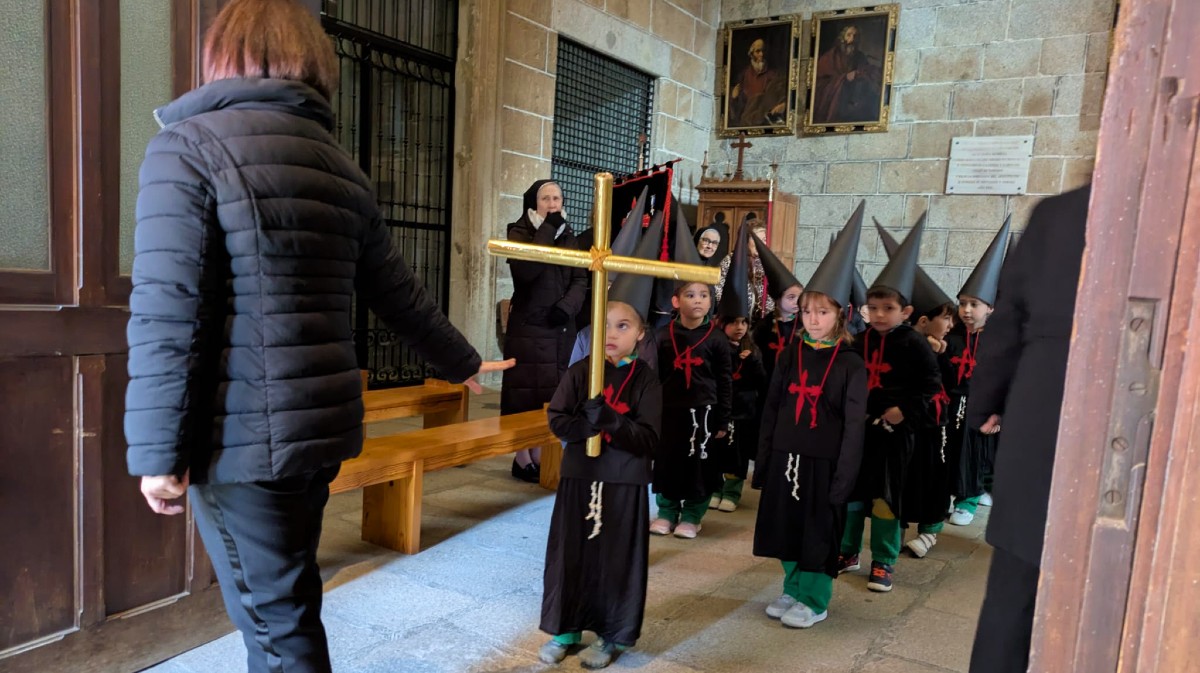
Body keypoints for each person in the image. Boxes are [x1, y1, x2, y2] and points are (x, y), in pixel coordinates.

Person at [124, 2, 513, 671]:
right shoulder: (340, 168)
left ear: (223, 57)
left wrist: (157, 453)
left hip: (242, 442)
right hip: (318, 435)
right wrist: (462, 359)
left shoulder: (187, 148)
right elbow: (401, 295)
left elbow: (169, 313)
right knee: (290, 602)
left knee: (278, 629)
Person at [965, 185, 1090, 673]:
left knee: (1019, 583)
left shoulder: (1061, 213)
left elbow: (1007, 326)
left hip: (1046, 405)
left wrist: (986, 404)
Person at [539, 247, 662, 670]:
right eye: (604, 323)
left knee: (614, 560)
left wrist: (610, 422)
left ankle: (613, 634)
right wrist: (581, 427)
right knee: (571, 552)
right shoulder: (580, 372)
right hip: (580, 476)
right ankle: (565, 628)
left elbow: (649, 439)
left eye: (623, 325)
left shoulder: (646, 381)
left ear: (640, 333)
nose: (611, 332)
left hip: (623, 482)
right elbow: (557, 417)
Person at [840, 215, 941, 593]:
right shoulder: (859, 340)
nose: (879, 315)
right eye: (873, 308)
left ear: (906, 312)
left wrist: (903, 412)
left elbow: (930, 386)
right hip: (861, 430)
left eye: (888, 308)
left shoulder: (913, 344)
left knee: (884, 499)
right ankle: (848, 551)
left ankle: (884, 560)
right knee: (851, 493)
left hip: (895, 434)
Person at [874, 219, 956, 558]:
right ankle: (901, 526)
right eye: (946, 317)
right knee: (902, 481)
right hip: (905, 426)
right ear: (922, 321)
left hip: (931, 425)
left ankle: (930, 529)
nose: (951, 324)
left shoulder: (945, 352)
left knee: (933, 478)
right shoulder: (902, 345)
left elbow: (941, 388)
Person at [502, 179, 589, 483]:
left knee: (552, 393)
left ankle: (541, 454)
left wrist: (567, 306)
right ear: (533, 204)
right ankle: (521, 456)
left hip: (560, 327)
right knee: (524, 394)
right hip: (529, 328)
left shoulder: (570, 237)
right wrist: (548, 228)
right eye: (546, 198)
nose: (553, 204)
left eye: (557, 198)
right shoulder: (519, 231)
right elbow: (527, 271)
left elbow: (581, 279)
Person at [650, 233, 733, 539]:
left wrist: (723, 418)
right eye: (690, 295)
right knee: (669, 461)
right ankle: (667, 510)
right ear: (676, 301)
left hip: (705, 414)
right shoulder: (661, 336)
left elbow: (724, 381)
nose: (698, 300)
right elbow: (654, 377)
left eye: (704, 295)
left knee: (700, 464)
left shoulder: (717, 339)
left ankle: (693, 514)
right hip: (670, 412)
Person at [944, 218, 1011, 526]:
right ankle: (961, 492)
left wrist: (1000, 413)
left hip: (984, 409)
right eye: (962, 304)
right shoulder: (953, 339)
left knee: (979, 453)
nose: (966, 310)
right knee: (957, 451)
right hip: (956, 406)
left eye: (974, 304)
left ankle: (970, 499)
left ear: (991, 309)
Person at [708, 225, 765, 513]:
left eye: (743, 322)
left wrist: (751, 361)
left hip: (743, 412)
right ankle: (715, 488)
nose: (739, 327)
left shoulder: (752, 349)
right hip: (720, 409)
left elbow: (759, 380)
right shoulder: (717, 347)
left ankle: (732, 491)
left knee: (737, 454)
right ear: (723, 323)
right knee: (718, 452)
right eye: (734, 322)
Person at [813, 24, 882, 124]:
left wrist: (861, 74)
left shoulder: (861, 57)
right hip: (835, 102)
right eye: (849, 35)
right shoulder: (829, 57)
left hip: (855, 102)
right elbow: (819, 83)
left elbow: (866, 73)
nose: (852, 39)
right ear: (842, 38)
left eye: (856, 36)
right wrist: (844, 78)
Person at [715, 217, 775, 322]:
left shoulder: (766, 262)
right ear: (745, 240)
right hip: (737, 320)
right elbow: (719, 293)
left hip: (763, 322)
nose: (761, 244)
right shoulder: (730, 262)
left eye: (764, 239)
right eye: (756, 239)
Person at [728, 38, 788, 127]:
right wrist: (734, 97)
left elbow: (782, 94)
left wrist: (783, 104)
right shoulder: (744, 75)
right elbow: (736, 104)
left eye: (763, 51)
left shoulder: (774, 74)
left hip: (767, 118)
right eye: (758, 51)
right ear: (751, 54)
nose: (761, 54)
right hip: (748, 119)